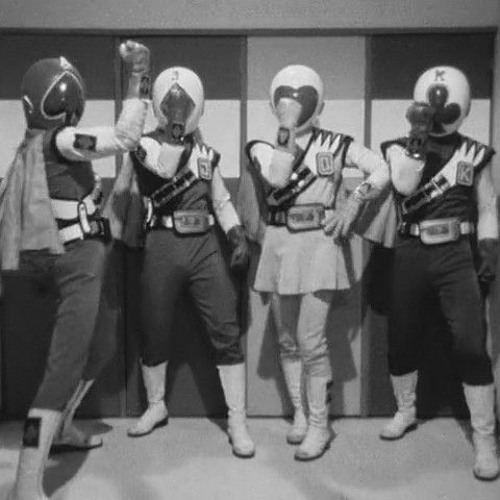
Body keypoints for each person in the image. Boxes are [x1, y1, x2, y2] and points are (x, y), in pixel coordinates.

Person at [332, 66, 499, 481]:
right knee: (401, 335)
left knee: (470, 342)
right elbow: (396, 184)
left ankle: (485, 437)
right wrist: (356, 198)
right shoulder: (398, 149)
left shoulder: (475, 153)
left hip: (456, 254)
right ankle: (405, 411)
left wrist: (489, 247)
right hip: (409, 251)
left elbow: (487, 207)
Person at [1, 40, 151, 500]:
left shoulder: (36, 147)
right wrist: (138, 78)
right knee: (60, 373)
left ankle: (63, 427)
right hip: (76, 265)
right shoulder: (61, 141)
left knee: (100, 346)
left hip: (86, 259)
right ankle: (27, 480)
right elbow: (124, 137)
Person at [237, 64, 389, 461]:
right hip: (279, 245)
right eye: (286, 98)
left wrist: (355, 201)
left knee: (311, 340)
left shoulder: (338, 144)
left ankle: (320, 425)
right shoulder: (261, 145)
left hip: (321, 246)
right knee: (287, 339)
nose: (294, 103)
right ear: (273, 104)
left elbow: (382, 169)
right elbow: (277, 176)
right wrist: (286, 127)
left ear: (318, 103)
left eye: (303, 98)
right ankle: (301, 415)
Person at [105, 66, 255, 458]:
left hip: (205, 246)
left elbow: (221, 201)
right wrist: (174, 129)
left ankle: (237, 419)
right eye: (172, 104)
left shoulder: (207, 154)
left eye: (185, 104)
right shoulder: (143, 145)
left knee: (225, 327)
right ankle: (156, 405)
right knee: (154, 326)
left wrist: (236, 235)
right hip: (162, 244)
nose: (178, 109)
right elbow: (165, 166)